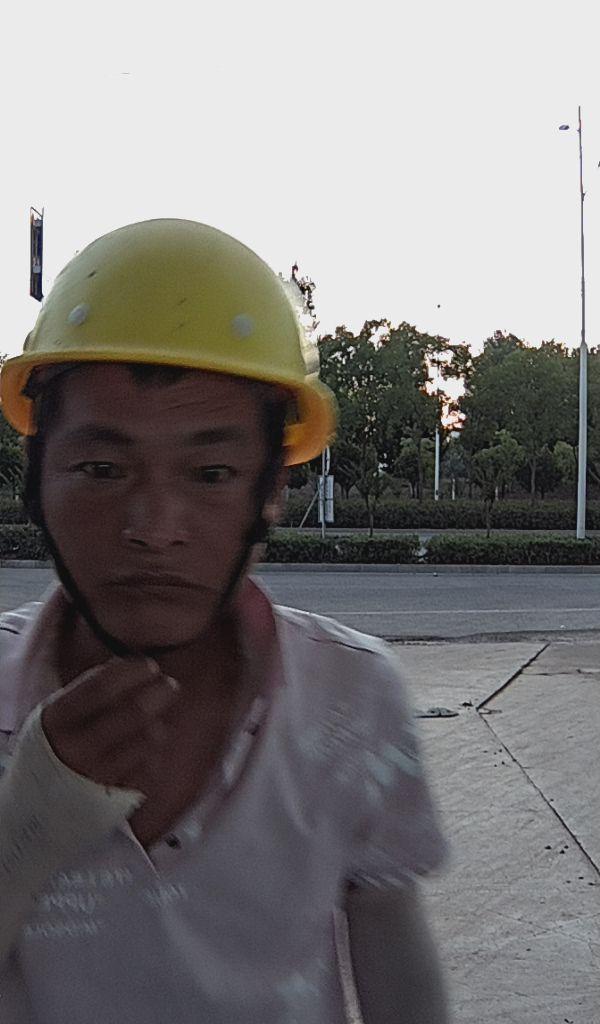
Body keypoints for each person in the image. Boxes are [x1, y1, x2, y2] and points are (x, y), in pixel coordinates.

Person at [0, 219, 449, 1024]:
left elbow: (399, 974)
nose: (153, 527)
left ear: (270, 489)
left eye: (210, 473)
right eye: (100, 468)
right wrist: (29, 821)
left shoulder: (351, 698)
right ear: (35, 477)